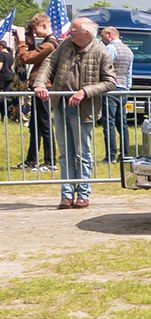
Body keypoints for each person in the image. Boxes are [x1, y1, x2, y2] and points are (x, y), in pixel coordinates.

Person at [31, 16, 115, 208]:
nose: (69, 33)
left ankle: (83, 194)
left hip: (84, 109)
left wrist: (85, 92)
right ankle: (66, 195)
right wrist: (40, 83)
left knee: (82, 152)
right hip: (61, 105)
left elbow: (110, 82)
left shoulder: (101, 51)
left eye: (73, 30)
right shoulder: (66, 44)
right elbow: (49, 63)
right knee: (65, 153)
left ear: (86, 33)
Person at [19, 13, 58, 171]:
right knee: (35, 126)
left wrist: (21, 40)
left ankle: (50, 161)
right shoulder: (47, 43)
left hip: (44, 87)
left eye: (36, 31)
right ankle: (31, 160)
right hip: (40, 86)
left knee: (45, 124)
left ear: (44, 25)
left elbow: (26, 58)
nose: (35, 34)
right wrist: (28, 39)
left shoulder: (49, 45)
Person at [100, 26, 134, 163]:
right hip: (123, 88)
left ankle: (111, 155)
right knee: (122, 123)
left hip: (111, 88)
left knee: (109, 122)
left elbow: (105, 68)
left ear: (109, 35)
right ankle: (125, 154)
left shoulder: (110, 49)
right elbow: (129, 73)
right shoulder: (129, 50)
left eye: (102, 37)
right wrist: (127, 88)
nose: (102, 40)